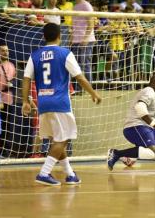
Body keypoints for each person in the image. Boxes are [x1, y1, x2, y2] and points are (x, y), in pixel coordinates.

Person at [22, 23, 101, 186]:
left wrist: (25, 101)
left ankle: (70, 174)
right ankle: (44, 173)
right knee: (63, 139)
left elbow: (26, 79)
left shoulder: (34, 55)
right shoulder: (65, 53)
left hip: (43, 103)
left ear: (44, 37)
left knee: (58, 140)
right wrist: (93, 93)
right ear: (60, 36)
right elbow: (79, 77)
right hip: (60, 103)